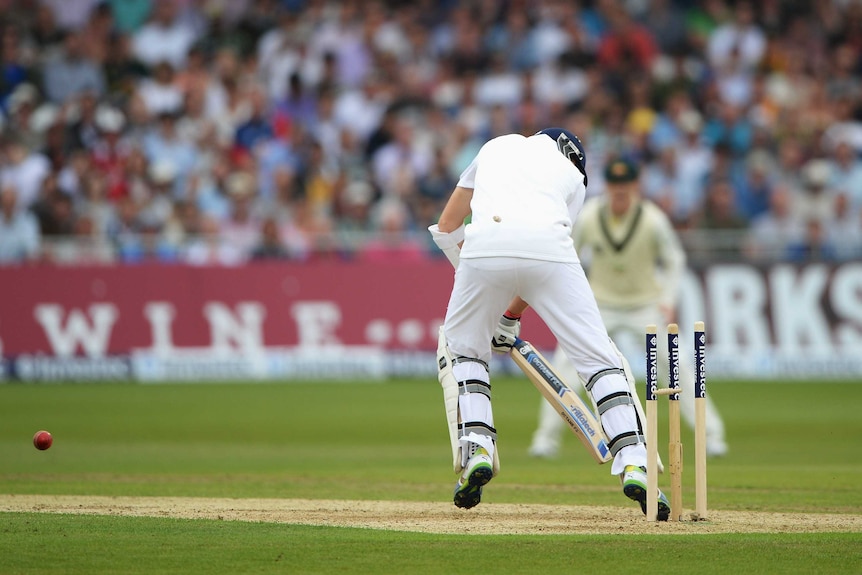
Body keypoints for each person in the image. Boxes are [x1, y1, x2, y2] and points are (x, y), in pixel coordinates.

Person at [429, 129, 670, 519]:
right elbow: (542, 250)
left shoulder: (493, 148)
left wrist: (487, 301)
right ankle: (634, 461)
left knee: (463, 350)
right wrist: (510, 314)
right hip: (549, 253)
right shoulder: (572, 177)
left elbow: (447, 225)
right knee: (598, 359)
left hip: (483, 245)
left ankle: (477, 447)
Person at [528, 158, 728, 459]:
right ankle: (545, 439)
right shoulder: (591, 215)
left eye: (625, 185)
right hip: (598, 306)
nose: (620, 191)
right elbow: (565, 251)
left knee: (678, 367)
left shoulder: (653, 219)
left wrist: (668, 299)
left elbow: (674, 259)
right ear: (606, 186)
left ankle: (711, 436)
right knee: (565, 368)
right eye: (614, 185)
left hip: (644, 306)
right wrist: (570, 297)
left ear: (636, 185)